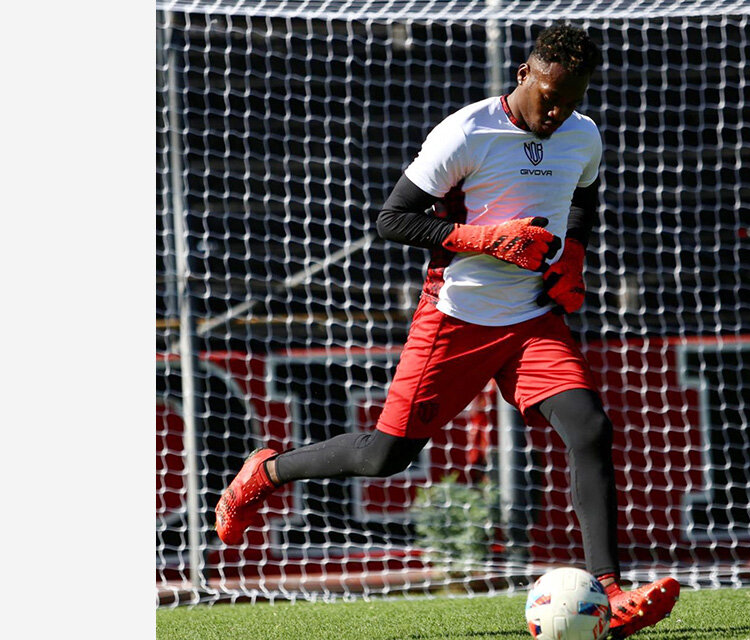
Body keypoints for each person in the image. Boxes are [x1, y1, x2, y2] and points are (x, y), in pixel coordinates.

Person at [215, 24, 678, 637]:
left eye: (573, 99)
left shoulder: (582, 134)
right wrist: (480, 239)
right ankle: (267, 471)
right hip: (456, 317)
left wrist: (572, 260)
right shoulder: (466, 132)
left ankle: (612, 592)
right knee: (386, 456)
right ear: (523, 75)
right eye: (549, 96)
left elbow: (583, 199)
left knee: (590, 429)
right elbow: (392, 219)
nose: (558, 111)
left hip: (533, 317)